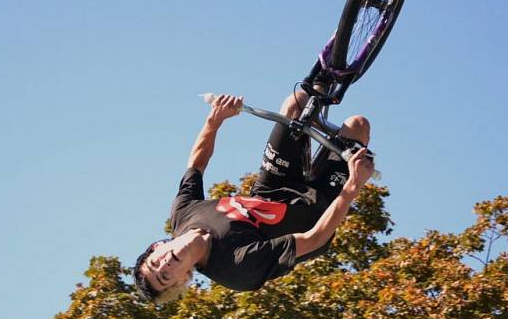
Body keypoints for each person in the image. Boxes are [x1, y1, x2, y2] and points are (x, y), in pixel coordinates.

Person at [133, 90, 374, 303]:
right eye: (165, 276)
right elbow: (314, 239)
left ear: (157, 247)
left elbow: (196, 166)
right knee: (358, 125)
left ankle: (333, 67)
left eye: (156, 263)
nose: (165, 265)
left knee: (296, 104)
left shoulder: (182, 215)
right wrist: (352, 187)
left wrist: (214, 120)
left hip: (272, 188)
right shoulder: (236, 268)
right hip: (314, 213)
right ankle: (337, 138)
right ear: (181, 280)